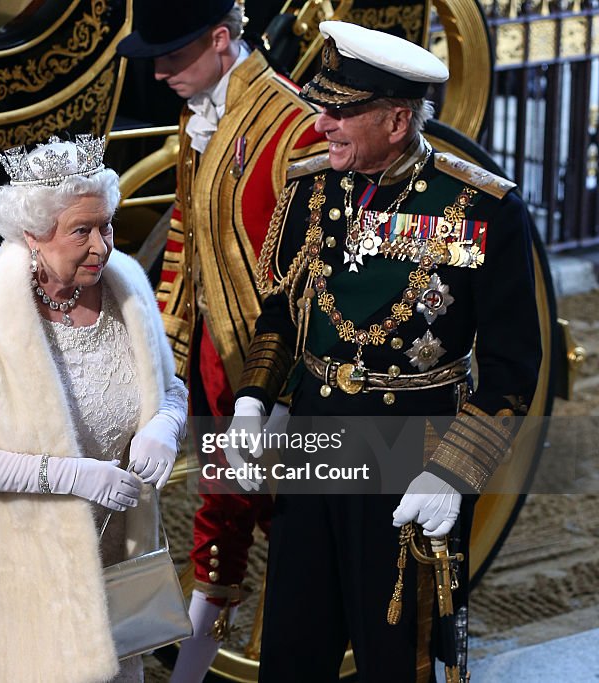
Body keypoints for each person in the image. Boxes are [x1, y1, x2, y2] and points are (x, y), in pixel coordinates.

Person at [234, 21, 542, 681]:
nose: (322, 125)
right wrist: (252, 400)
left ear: (398, 120)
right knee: (292, 645)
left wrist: (453, 473)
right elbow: (279, 315)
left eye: (340, 112)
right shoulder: (311, 190)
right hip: (314, 444)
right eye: (323, 107)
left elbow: (513, 371)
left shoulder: (481, 211)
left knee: (400, 658)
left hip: (412, 454)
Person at [0, 134, 187, 682]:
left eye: (105, 225)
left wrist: (165, 425)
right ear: (33, 234)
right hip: (19, 555)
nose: (102, 246)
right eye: (81, 231)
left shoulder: (126, 284)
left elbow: (169, 387)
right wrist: (70, 476)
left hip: (113, 542)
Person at [116, 1, 325, 677]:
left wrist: (281, 391)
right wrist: (168, 348)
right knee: (219, 516)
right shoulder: (197, 111)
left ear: (219, 39)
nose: (159, 72)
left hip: (273, 370)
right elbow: (186, 236)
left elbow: (312, 275)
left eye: (173, 56)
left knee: (288, 528)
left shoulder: (298, 124)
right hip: (212, 359)